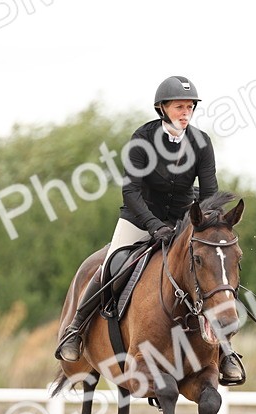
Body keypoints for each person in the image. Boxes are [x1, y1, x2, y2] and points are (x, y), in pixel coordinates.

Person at [55, 75, 245, 385]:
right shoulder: (142, 140)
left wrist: (205, 226)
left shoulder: (201, 142)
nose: (185, 113)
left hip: (184, 221)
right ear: (162, 108)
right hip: (138, 218)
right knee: (112, 263)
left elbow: (210, 193)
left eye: (190, 107)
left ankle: (225, 351)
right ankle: (76, 329)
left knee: (213, 268)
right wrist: (154, 226)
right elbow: (131, 191)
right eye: (179, 107)